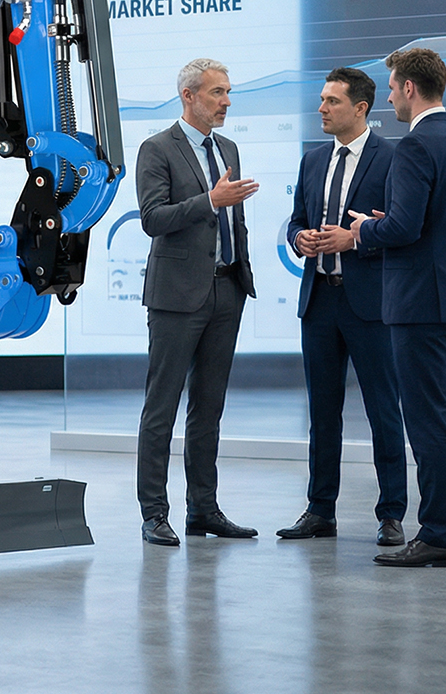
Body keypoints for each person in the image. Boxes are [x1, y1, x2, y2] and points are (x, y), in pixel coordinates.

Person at [349, 47, 446, 568]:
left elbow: (403, 228)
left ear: (409, 87)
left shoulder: (413, 146)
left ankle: (435, 535)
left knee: (427, 420)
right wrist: (395, 224)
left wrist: (366, 229)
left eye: (391, 88)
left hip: (418, 302)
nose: (388, 98)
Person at [276, 67, 407, 547]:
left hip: (370, 304)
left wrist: (354, 240)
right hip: (319, 300)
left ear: (361, 108)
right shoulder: (313, 160)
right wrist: (301, 239)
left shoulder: (392, 159)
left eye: (332, 101)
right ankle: (319, 510)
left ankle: (391, 513)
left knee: (382, 410)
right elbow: (296, 221)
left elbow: (401, 229)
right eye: (322, 99)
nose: (322, 108)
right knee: (322, 411)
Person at [135, 58, 260, 546]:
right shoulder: (157, 148)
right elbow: (153, 218)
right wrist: (210, 200)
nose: (226, 102)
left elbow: (232, 220)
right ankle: (154, 513)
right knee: (162, 407)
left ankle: (203, 509)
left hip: (227, 290)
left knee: (209, 409)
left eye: (227, 92)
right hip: (176, 296)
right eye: (217, 93)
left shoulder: (227, 147)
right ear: (188, 96)